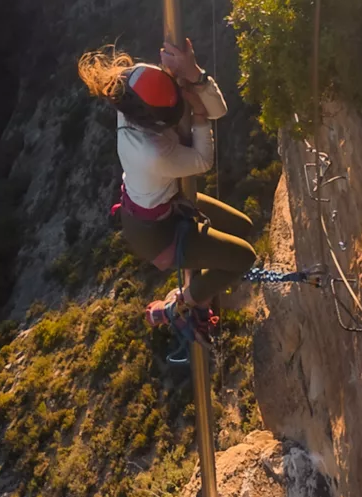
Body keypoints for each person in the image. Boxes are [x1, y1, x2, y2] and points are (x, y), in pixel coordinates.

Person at [77, 38, 256, 342]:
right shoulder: (152, 152)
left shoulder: (134, 86)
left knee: (244, 227)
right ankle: (180, 305)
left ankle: (198, 284)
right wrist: (198, 115)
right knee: (244, 258)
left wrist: (194, 74)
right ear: (153, 122)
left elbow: (219, 110)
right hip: (157, 234)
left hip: (167, 202)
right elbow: (201, 160)